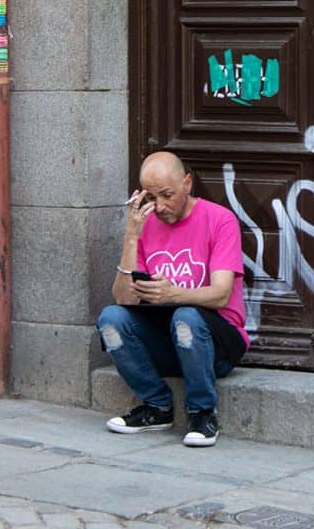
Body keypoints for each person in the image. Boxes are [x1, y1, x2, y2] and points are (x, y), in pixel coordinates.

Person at [96, 151, 249, 447]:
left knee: (186, 317)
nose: (161, 206)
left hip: (217, 346)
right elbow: (122, 298)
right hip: (169, 342)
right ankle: (157, 406)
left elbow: (221, 294)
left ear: (187, 183)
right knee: (110, 320)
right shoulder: (145, 225)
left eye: (167, 195)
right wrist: (131, 234)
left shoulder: (220, 220)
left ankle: (202, 412)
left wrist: (173, 294)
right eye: (152, 197)